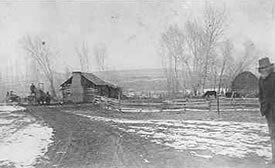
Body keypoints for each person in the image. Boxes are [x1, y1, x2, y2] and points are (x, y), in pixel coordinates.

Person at [258, 57, 275, 163]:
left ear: (269, 68)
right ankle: (274, 159)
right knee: (273, 135)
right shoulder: (260, 80)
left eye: (265, 67)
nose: (264, 70)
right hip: (268, 111)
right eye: (262, 68)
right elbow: (261, 95)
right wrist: (262, 106)